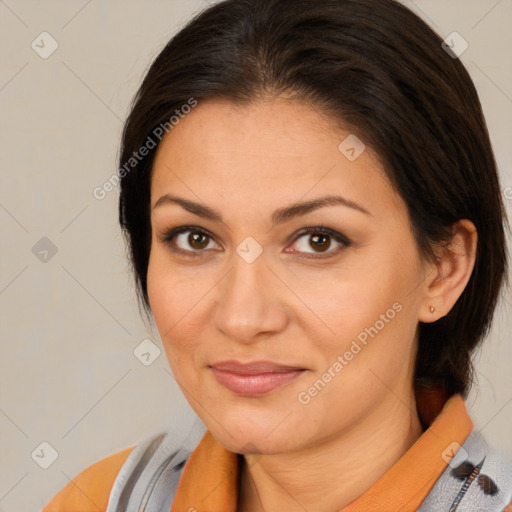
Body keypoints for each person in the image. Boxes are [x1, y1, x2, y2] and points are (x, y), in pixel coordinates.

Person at [42, 0, 512, 510]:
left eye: (318, 241)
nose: (243, 318)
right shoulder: (97, 501)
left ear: (444, 269)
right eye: (195, 238)